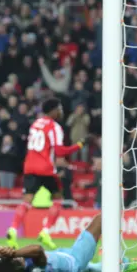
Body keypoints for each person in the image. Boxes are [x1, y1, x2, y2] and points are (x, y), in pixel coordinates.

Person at [6, 98, 83, 250]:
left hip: (29, 166)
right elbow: (60, 152)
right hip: (45, 168)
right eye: (59, 108)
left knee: (27, 199)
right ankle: (45, 231)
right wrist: (78, 146)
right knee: (58, 197)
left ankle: (13, 229)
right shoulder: (54, 127)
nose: (61, 111)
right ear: (53, 110)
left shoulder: (36, 123)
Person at [0, 214, 137, 272]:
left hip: (62, 255)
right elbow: (37, 250)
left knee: (99, 268)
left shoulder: (2, 267)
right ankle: (118, 258)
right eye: (19, 260)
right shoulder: (35, 270)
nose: (21, 259)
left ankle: (122, 265)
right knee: (101, 219)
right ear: (18, 264)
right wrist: (13, 252)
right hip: (74, 261)